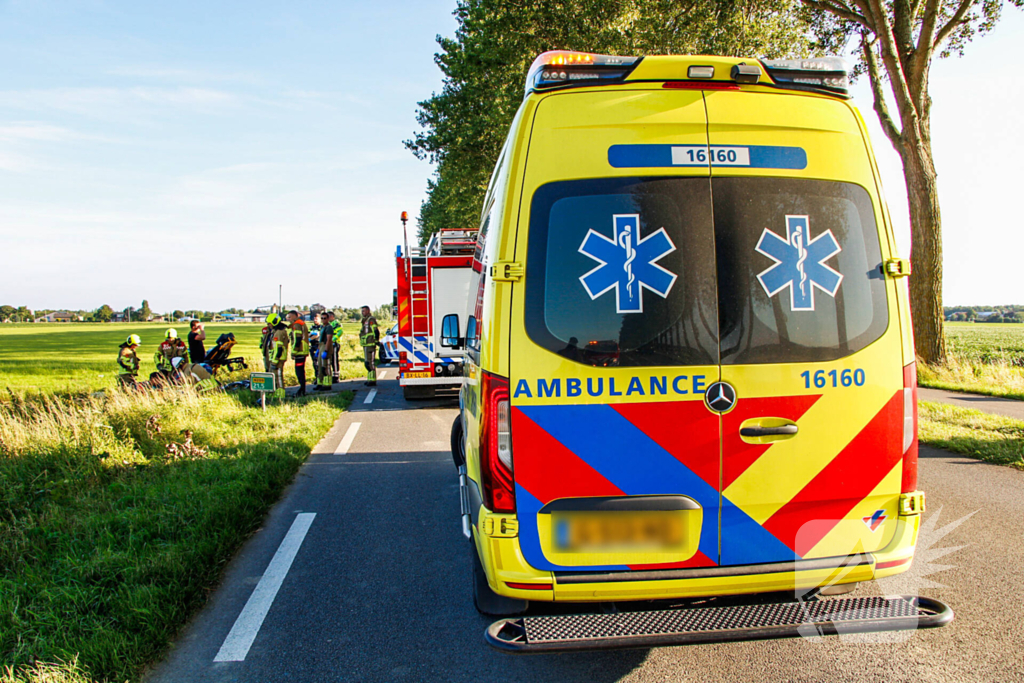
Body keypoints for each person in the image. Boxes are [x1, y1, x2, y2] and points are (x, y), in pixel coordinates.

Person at [286, 310, 310, 397]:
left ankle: (302, 390)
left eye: (289, 317)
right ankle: (302, 389)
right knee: (300, 371)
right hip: (302, 350)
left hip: (300, 351)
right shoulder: (299, 323)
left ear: (294, 316)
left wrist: (294, 352)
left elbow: (298, 339)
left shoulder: (297, 325)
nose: (288, 319)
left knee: (299, 371)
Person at [266, 313, 289, 400]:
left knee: (278, 377)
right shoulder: (276, 331)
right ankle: (276, 394)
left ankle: (280, 395)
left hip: (278, 358)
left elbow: (278, 348)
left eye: (270, 323)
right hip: (275, 358)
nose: (269, 325)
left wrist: (275, 360)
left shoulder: (279, 332)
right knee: (274, 377)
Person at [358, 305, 380, 386]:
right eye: (362, 311)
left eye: (363, 311)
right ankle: (370, 379)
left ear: (368, 311)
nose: (362, 313)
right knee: (367, 362)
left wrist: (376, 340)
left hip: (370, 344)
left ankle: (372, 380)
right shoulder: (364, 320)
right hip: (366, 344)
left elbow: (375, 330)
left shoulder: (371, 320)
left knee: (370, 363)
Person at [314, 312, 335, 391]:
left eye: (325, 318)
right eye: (322, 318)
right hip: (321, 346)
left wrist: (326, 350)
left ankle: (327, 384)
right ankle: (320, 383)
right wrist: (318, 349)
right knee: (319, 366)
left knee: (325, 366)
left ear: (328, 318)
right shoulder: (322, 327)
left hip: (326, 346)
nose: (323, 320)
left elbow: (329, 340)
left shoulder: (329, 327)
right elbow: (320, 340)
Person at [329, 311, 344, 383]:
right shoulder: (329, 324)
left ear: (332, 316)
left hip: (335, 343)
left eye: (329, 316)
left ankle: (336, 376)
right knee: (331, 360)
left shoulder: (336, 323)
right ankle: (333, 375)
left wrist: (333, 339)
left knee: (334, 359)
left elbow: (340, 332)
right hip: (329, 343)